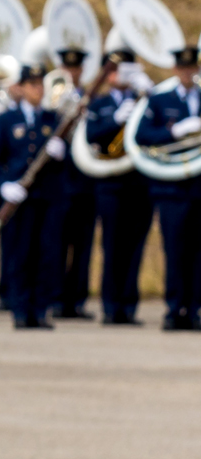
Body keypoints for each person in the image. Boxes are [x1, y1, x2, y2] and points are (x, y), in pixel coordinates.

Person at [0, 65, 67, 330]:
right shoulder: (7, 120)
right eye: (31, 84)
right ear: (20, 88)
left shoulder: (53, 119)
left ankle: (40, 309)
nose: (37, 89)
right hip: (19, 198)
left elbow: (64, 167)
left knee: (45, 255)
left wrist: (61, 154)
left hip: (46, 197)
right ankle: (21, 310)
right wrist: (4, 185)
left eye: (39, 84)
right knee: (20, 255)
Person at [133, 44, 201, 330]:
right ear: (176, 70)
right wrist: (174, 131)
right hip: (170, 190)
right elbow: (141, 136)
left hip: (198, 187)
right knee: (174, 250)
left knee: (198, 254)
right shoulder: (160, 99)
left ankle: (194, 310)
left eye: (191, 68)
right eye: (182, 68)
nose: (187, 73)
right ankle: (174, 309)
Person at [84, 48, 152, 325]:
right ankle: (111, 306)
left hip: (139, 182)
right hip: (110, 182)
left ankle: (129, 305)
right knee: (112, 245)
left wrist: (149, 97)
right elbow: (90, 136)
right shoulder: (99, 104)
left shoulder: (145, 100)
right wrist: (116, 120)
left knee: (135, 246)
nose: (118, 76)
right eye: (113, 70)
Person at [51, 48, 98, 321]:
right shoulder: (51, 98)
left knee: (83, 246)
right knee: (57, 244)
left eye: (76, 68)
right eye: (67, 68)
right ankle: (55, 298)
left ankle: (77, 300)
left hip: (86, 181)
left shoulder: (91, 99)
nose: (72, 73)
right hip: (59, 182)